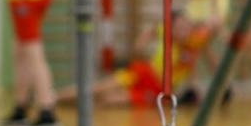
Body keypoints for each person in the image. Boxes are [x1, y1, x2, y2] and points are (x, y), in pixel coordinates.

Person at [58, 13, 214, 110]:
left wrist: (196, 89)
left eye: (186, 27)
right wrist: (140, 48)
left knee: (109, 100)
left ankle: (67, 104)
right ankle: (55, 97)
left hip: (158, 89)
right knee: (99, 88)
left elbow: (192, 69)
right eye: (179, 27)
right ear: (171, 29)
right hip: (144, 73)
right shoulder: (167, 36)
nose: (183, 31)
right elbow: (146, 36)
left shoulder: (194, 44)